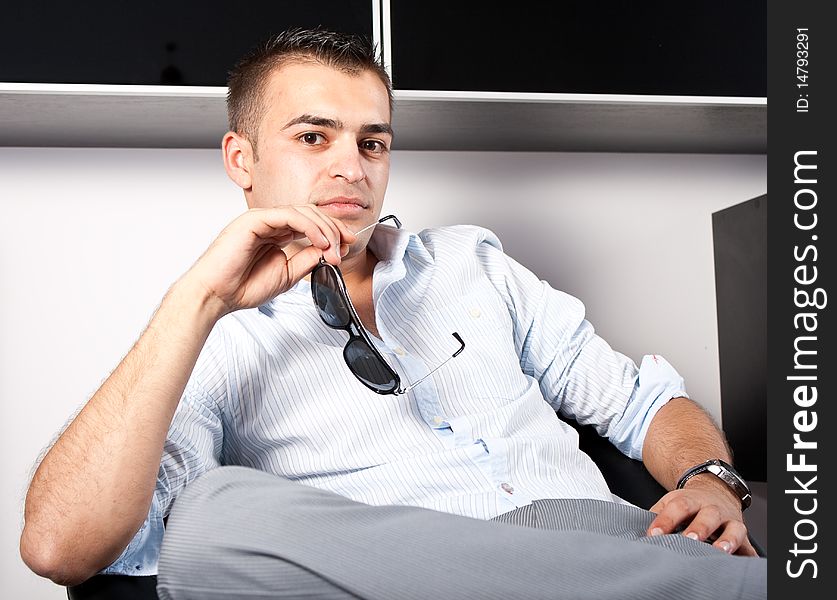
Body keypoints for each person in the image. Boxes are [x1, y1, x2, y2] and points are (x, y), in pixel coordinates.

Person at [20, 27, 766, 599]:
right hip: (409, 569)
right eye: (313, 137)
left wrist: (707, 478)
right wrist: (200, 300)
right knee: (211, 518)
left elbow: (643, 403)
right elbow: (60, 549)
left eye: (371, 142)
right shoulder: (212, 337)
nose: (351, 166)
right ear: (240, 160)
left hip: (605, 537)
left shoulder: (474, 264)